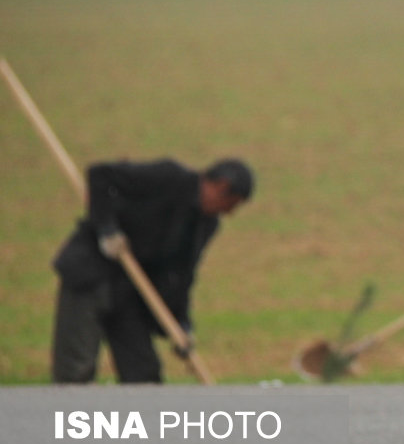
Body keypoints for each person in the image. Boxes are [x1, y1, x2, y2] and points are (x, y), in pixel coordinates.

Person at [51, 157, 254, 383]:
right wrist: (107, 230)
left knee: (144, 374)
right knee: (76, 370)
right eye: (231, 204)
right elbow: (100, 175)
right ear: (220, 186)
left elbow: (181, 276)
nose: (228, 213)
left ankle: (143, 417)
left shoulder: (205, 224)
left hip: (132, 291)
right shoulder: (169, 178)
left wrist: (181, 326)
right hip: (90, 276)